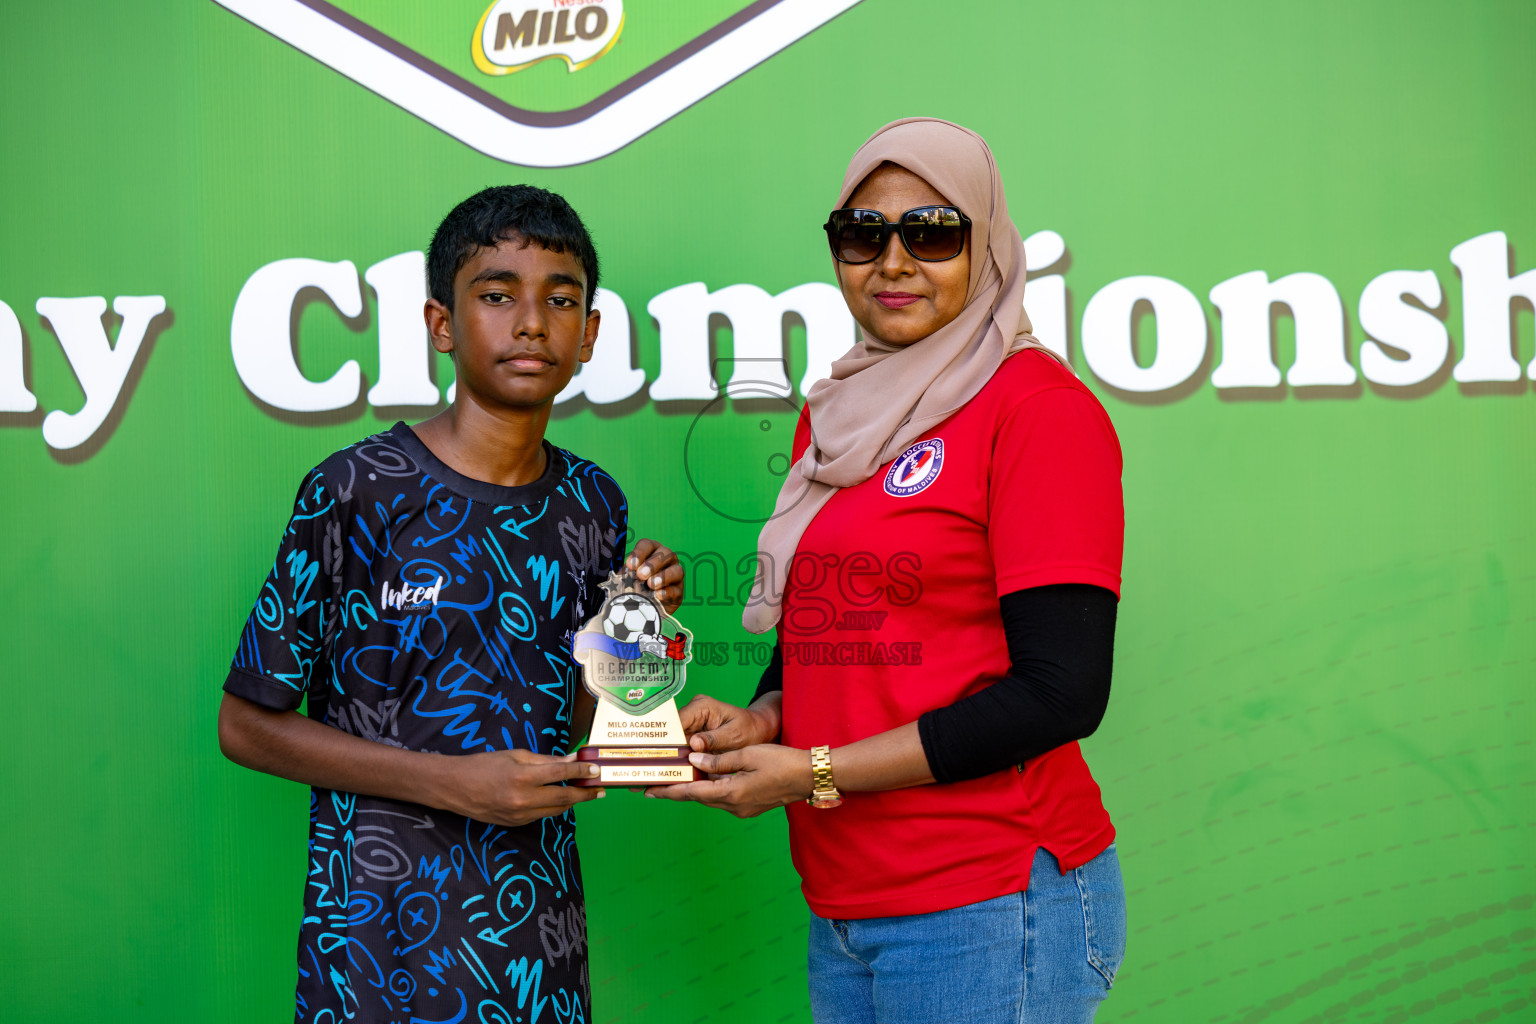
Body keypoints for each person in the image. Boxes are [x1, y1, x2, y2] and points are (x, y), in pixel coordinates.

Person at [650, 119, 1128, 1023]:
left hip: (988, 900)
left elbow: (1062, 692)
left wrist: (811, 773)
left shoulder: (1037, 412)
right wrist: (763, 720)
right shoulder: (843, 410)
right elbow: (841, 632)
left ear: (985, 245)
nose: (894, 261)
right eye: (864, 234)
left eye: (934, 232)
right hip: (846, 901)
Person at [217, 185, 684, 1023]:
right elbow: (245, 724)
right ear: (442, 324)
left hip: (539, 952)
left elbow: (569, 728)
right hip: (374, 948)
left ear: (591, 335)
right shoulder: (356, 490)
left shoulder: (593, 503)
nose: (532, 322)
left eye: (561, 299)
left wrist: (631, 623)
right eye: (498, 295)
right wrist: (451, 785)